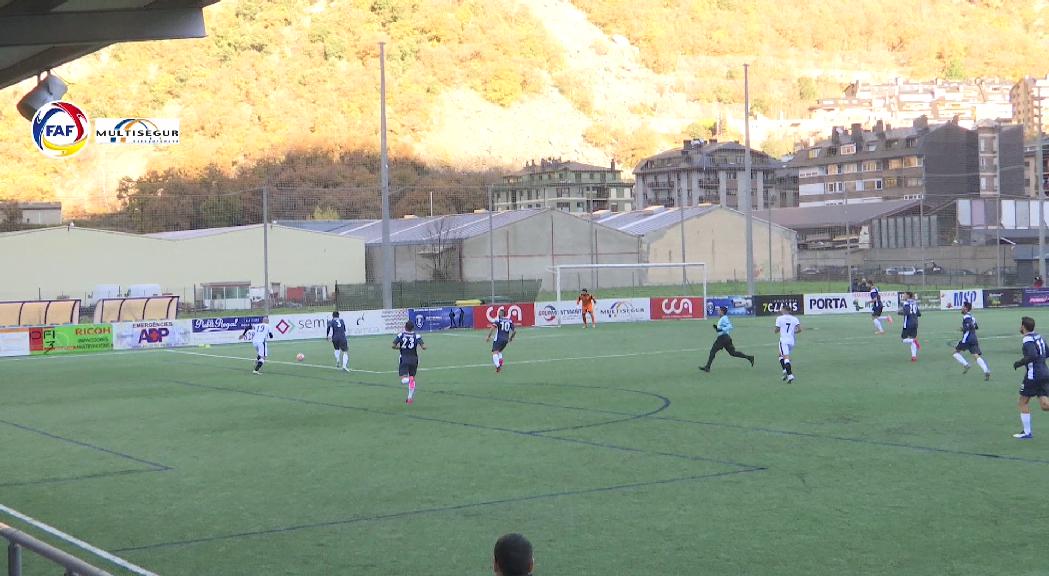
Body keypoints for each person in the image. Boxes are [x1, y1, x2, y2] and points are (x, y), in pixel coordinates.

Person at [1011, 316, 1049, 439]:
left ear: (1023, 326)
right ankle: (1026, 432)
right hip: (1044, 372)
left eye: (1021, 325)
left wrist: (1019, 363)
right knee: (1045, 405)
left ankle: (1027, 433)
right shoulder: (1039, 336)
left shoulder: (1027, 339)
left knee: (1022, 402)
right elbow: (1047, 352)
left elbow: (1032, 355)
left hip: (1034, 375)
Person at [699, 306, 754, 372]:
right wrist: (717, 328)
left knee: (713, 351)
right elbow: (722, 329)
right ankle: (749, 358)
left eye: (719, 310)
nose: (718, 311)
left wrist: (721, 329)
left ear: (722, 311)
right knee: (733, 353)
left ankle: (707, 367)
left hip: (722, 338)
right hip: (726, 338)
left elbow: (730, 326)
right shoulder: (723, 318)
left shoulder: (724, 318)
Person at [951, 302, 990, 380]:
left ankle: (966, 365)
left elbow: (970, 325)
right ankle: (986, 370)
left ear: (966, 308)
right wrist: (968, 327)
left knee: (955, 352)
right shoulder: (972, 317)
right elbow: (976, 327)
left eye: (963, 307)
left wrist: (963, 329)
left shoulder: (966, 317)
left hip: (967, 339)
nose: (961, 308)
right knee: (976, 356)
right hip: (974, 338)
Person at [392, 321, 426, 405]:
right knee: (412, 378)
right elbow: (424, 347)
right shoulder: (417, 336)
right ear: (413, 328)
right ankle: (409, 398)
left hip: (404, 358)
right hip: (414, 359)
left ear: (405, 327)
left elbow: (393, 345)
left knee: (404, 379)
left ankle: (408, 379)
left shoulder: (401, 335)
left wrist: (400, 348)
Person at [774, 306, 801, 383]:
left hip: (784, 341)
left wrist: (777, 330)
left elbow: (776, 330)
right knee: (781, 355)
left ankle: (790, 375)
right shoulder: (795, 319)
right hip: (791, 341)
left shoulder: (779, 318)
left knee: (786, 358)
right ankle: (785, 370)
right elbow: (799, 330)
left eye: (782, 309)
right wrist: (793, 332)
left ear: (785, 310)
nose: (781, 310)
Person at [485, 309, 516, 373]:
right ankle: (500, 361)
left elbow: (492, 328)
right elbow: (514, 331)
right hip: (505, 340)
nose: (498, 314)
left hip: (498, 339)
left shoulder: (498, 320)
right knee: (499, 351)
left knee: (494, 352)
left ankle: (497, 366)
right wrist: (511, 338)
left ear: (501, 314)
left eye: (499, 313)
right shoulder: (509, 320)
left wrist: (488, 336)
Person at [899, 291, 921, 362]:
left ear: (908, 296)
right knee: (912, 340)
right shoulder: (914, 302)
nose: (903, 296)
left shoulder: (906, 303)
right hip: (915, 323)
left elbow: (907, 312)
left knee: (903, 339)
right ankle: (914, 356)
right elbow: (919, 313)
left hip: (908, 324)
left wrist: (899, 312)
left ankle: (913, 340)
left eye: (904, 295)